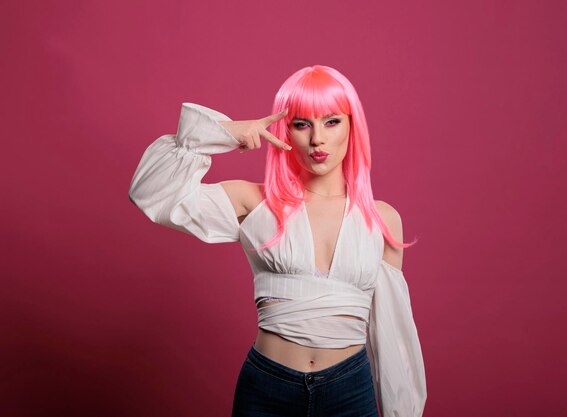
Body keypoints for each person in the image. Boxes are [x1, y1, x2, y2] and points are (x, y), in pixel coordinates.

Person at [128, 65, 427, 417]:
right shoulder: (254, 202)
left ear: (352, 127)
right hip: (269, 387)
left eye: (332, 121)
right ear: (285, 130)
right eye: (302, 124)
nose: (317, 139)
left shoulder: (382, 219)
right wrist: (223, 134)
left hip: (350, 388)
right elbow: (151, 193)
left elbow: (390, 332)